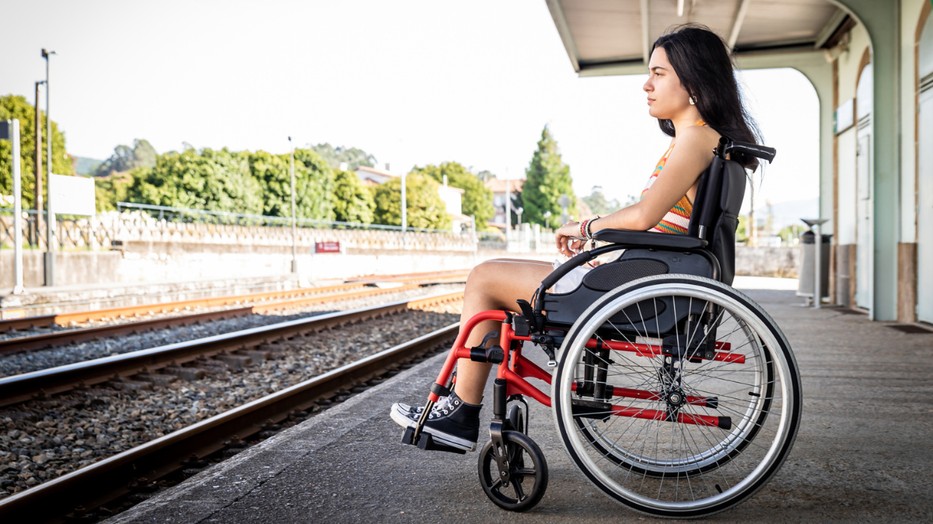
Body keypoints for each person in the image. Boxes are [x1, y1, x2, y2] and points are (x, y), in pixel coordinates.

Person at [390, 24, 761, 452]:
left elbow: (644, 215)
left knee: (485, 279)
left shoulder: (696, 138)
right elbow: (653, 221)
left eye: (658, 73)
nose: (646, 84)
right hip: (644, 276)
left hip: (638, 285)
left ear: (693, 81)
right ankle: (459, 409)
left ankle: (459, 411)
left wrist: (583, 227)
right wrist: (595, 235)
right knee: (494, 283)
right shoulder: (708, 140)